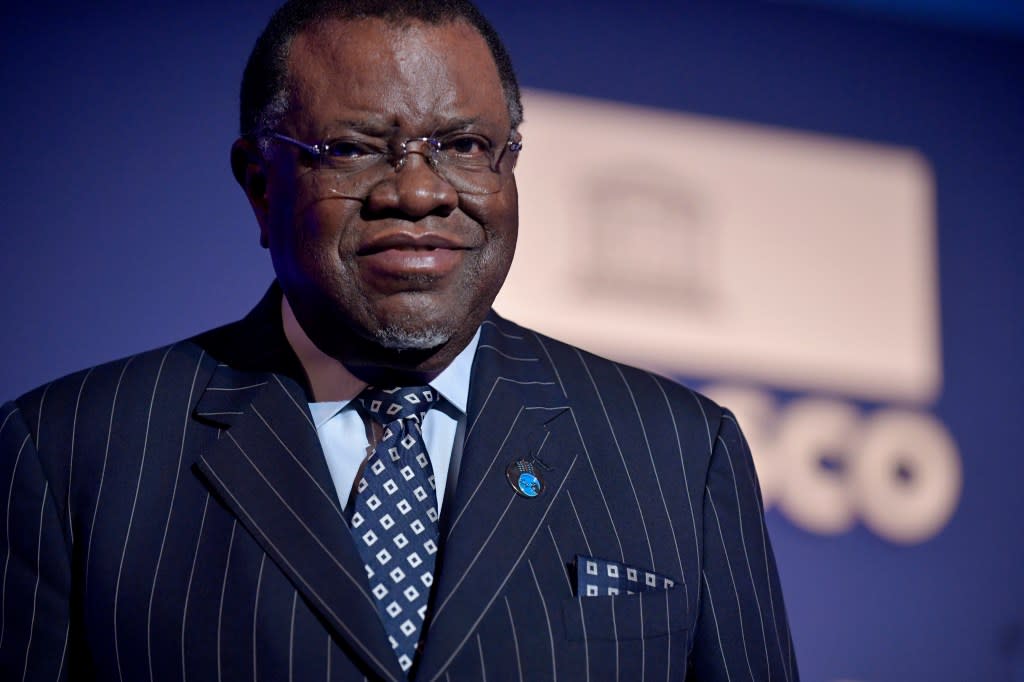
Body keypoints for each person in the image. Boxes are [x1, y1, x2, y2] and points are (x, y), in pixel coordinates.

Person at [0, 1, 797, 679]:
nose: (418, 192)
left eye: (463, 146)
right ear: (259, 183)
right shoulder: (72, 453)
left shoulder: (682, 454)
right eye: (351, 149)